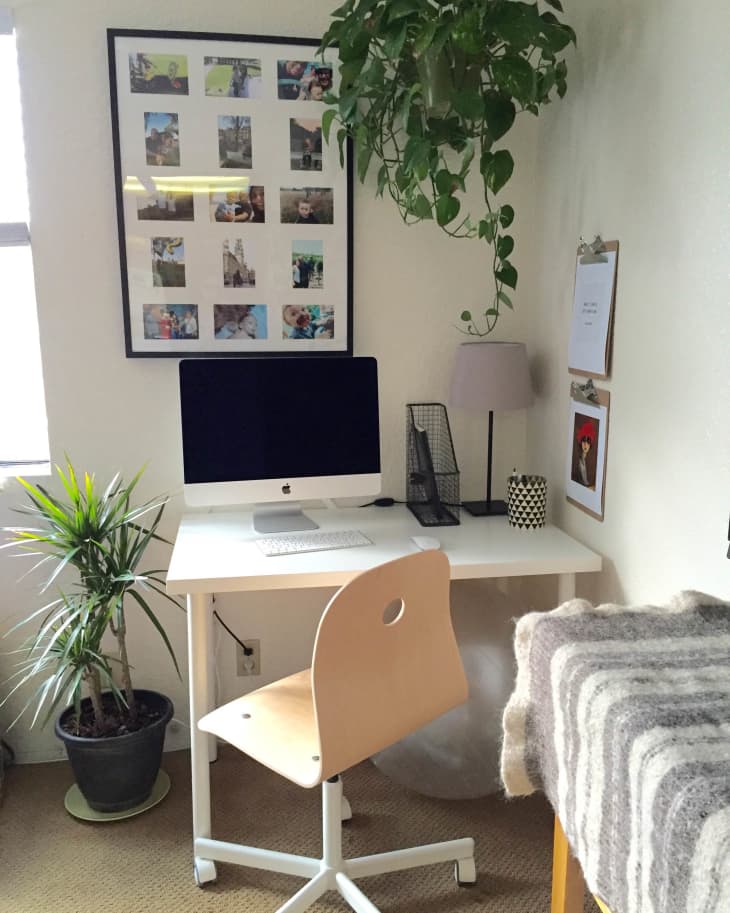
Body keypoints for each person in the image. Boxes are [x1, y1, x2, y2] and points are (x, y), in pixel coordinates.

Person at [575, 420, 596, 487]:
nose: (585, 445)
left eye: (588, 442)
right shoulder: (578, 459)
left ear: (590, 444)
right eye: (584, 441)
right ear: (581, 442)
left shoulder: (592, 462)